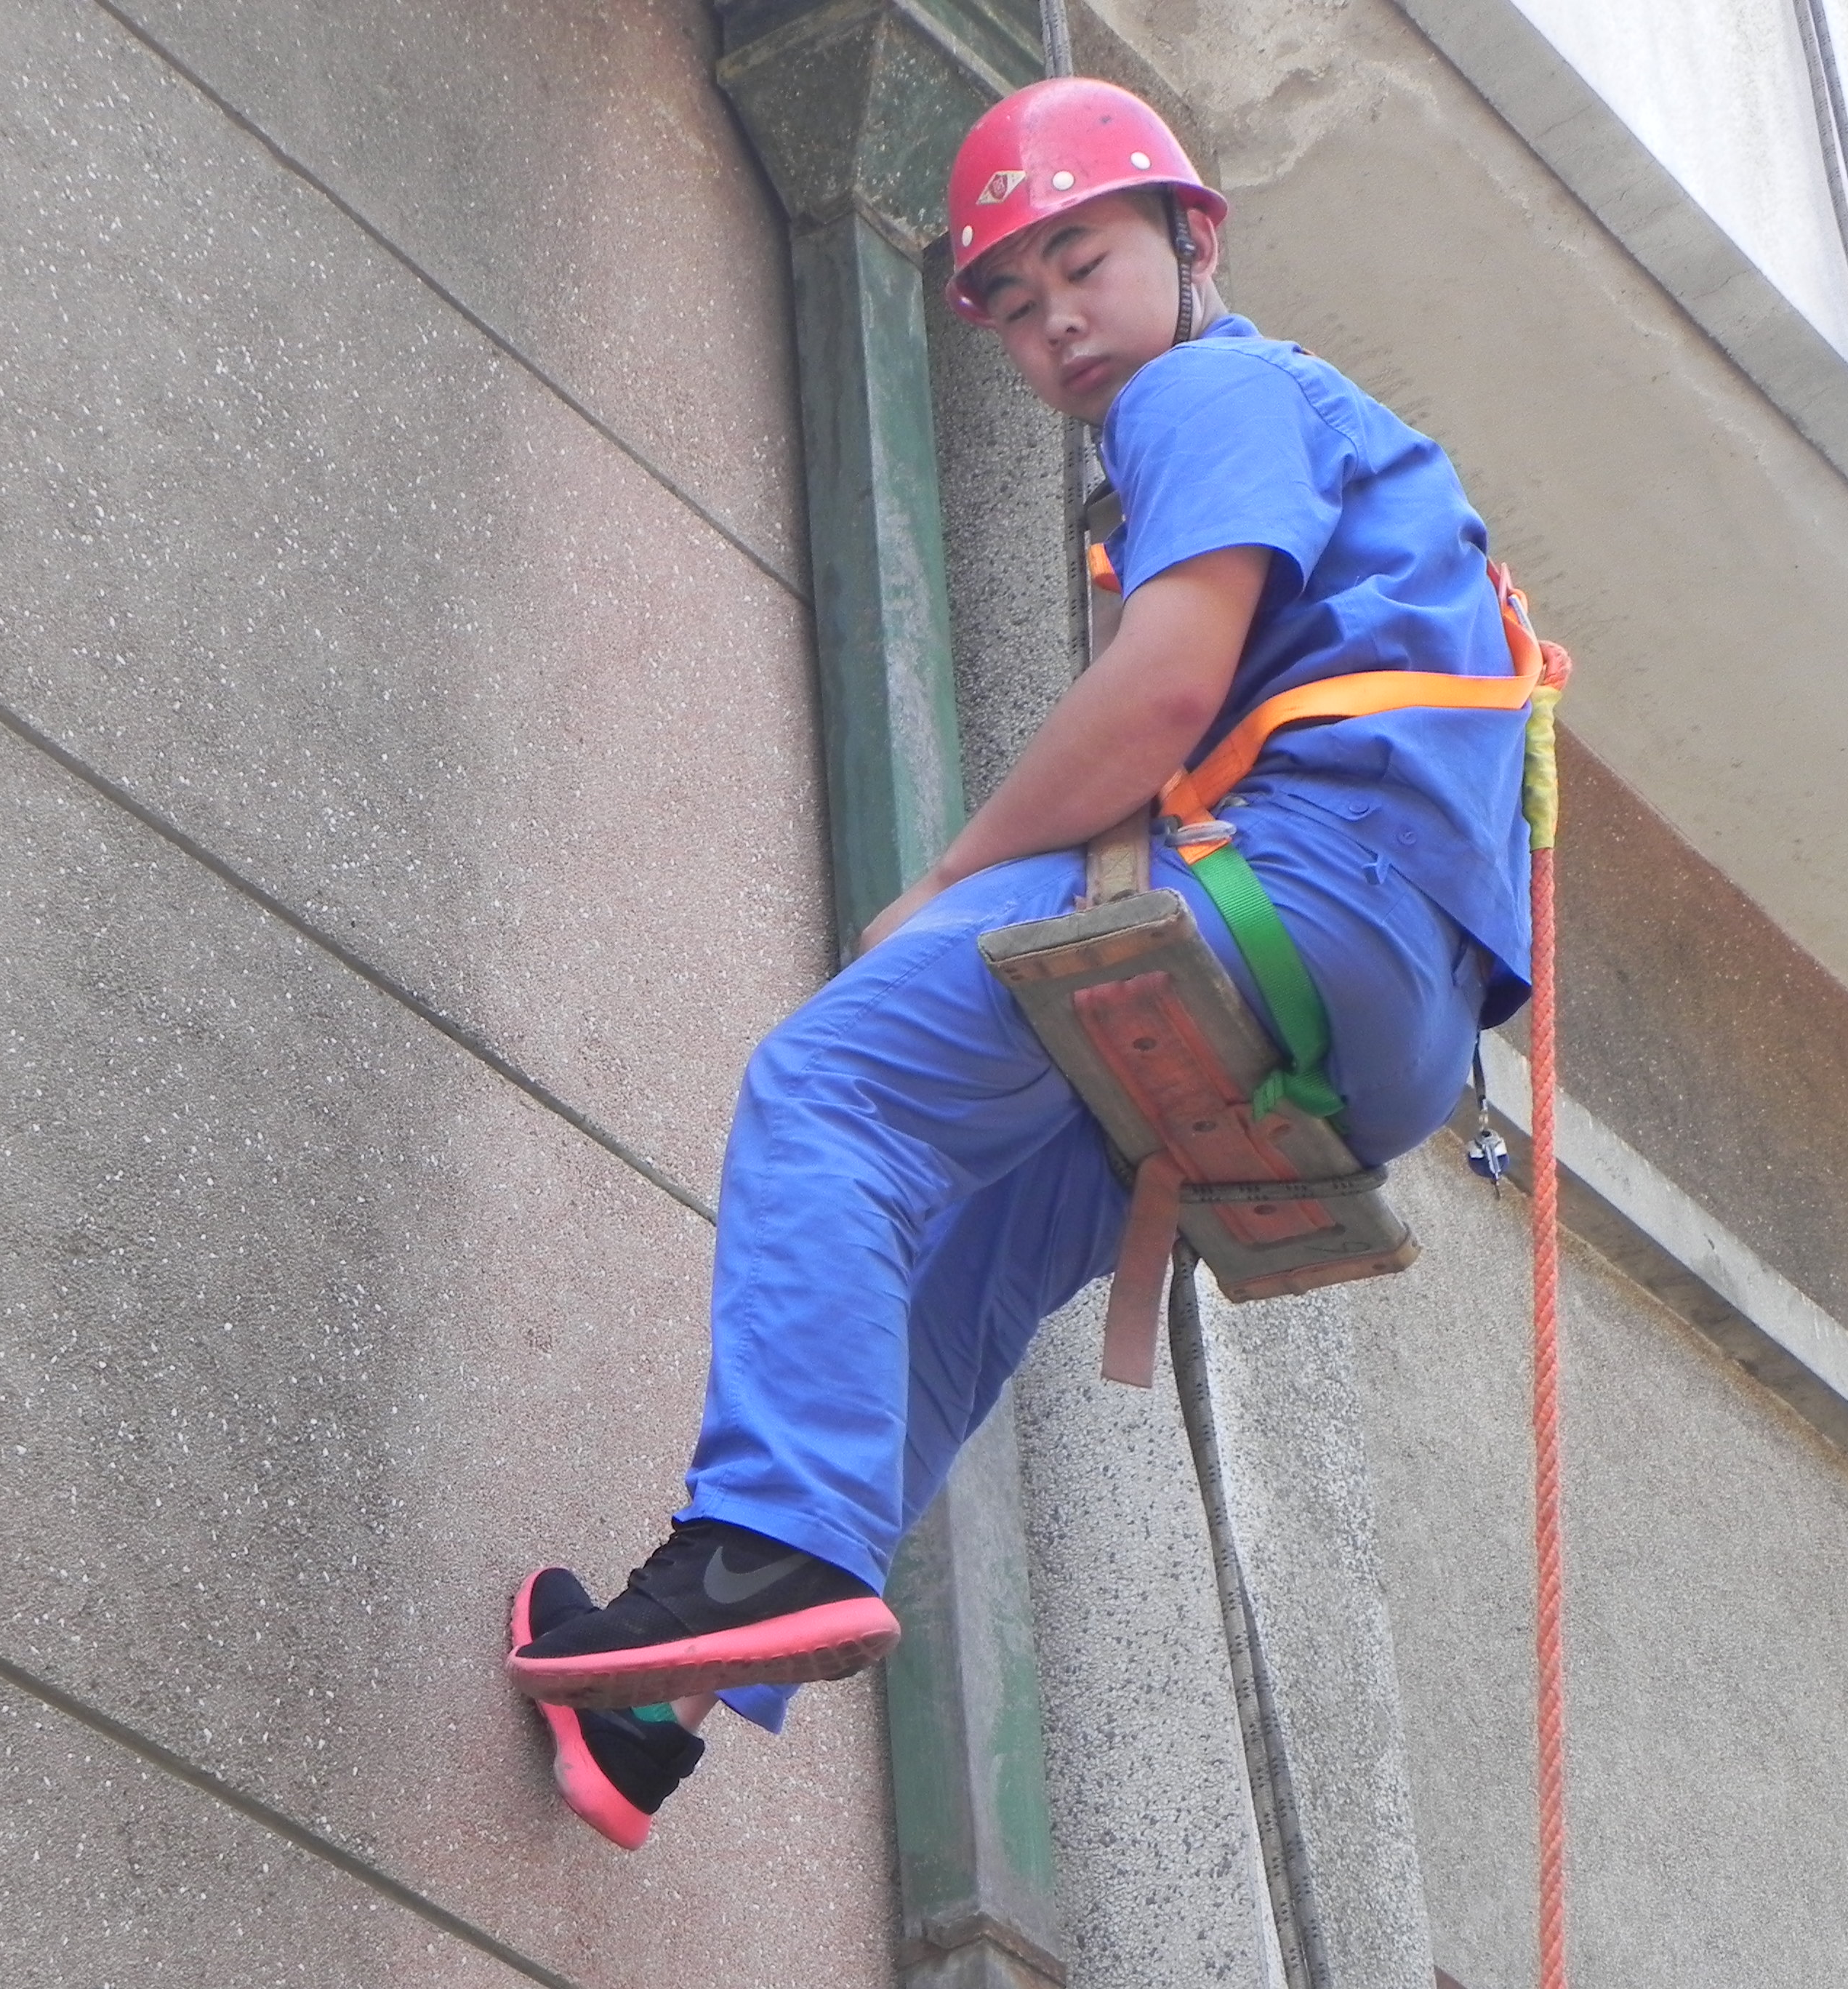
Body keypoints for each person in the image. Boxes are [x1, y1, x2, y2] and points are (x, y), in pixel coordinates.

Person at [506, 75, 1535, 1847]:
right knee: (957, 1276)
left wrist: (949, 880)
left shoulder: (1213, 386)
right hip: (1376, 1038)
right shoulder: (1305, 437)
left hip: (1290, 894)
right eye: (1013, 295)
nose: (1059, 318)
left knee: (830, 1082)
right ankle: (655, 1706)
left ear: (1193, 240)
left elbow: (1162, 693)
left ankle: (760, 1551)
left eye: (1088, 260)